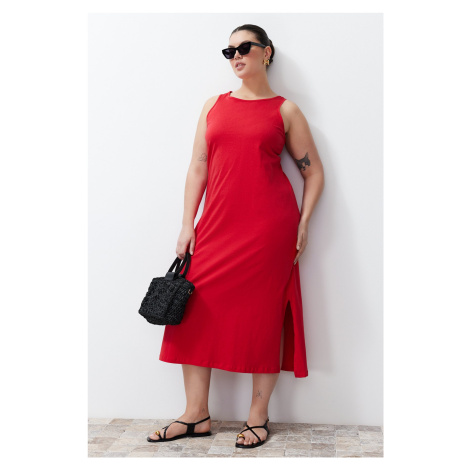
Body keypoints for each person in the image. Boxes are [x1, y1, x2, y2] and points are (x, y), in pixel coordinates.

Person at [148, 24, 324, 448]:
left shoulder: (285, 111)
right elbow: (198, 166)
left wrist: (304, 222)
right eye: (229, 51)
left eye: (244, 48)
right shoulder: (214, 105)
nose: (236, 56)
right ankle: (196, 414)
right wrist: (187, 223)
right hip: (216, 226)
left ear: (267, 52)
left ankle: (258, 417)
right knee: (193, 311)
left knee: (263, 318)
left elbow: (314, 171)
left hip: (269, 231)